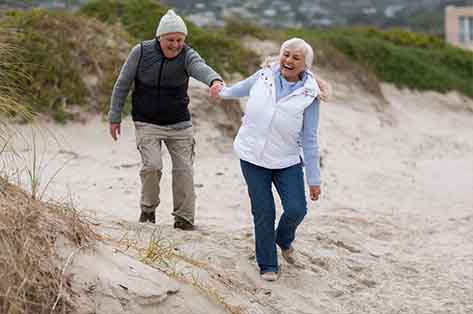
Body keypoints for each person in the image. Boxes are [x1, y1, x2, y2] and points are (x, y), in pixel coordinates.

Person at [210, 38, 323, 281]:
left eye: (296, 58)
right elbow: (240, 88)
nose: (288, 60)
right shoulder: (263, 77)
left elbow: (310, 139)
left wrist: (314, 179)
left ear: (305, 65)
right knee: (264, 211)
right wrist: (222, 92)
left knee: (296, 209)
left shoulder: (310, 95)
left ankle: (283, 239)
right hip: (252, 156)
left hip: (287, 160)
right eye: (286, 54)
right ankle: (268, 263)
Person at [108, 9, 224, 230]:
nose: (176, 44)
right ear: (160, 37)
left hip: (179, 124)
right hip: (146, 122)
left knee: (184, 171)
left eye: (180, 39)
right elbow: (122, 84)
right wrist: (114, 117)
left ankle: (184, 219)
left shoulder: (187, 55)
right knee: (152, 166)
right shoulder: (141, 52)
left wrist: (214, 81)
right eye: (171, 39)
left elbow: (201, 68)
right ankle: (148, 209)